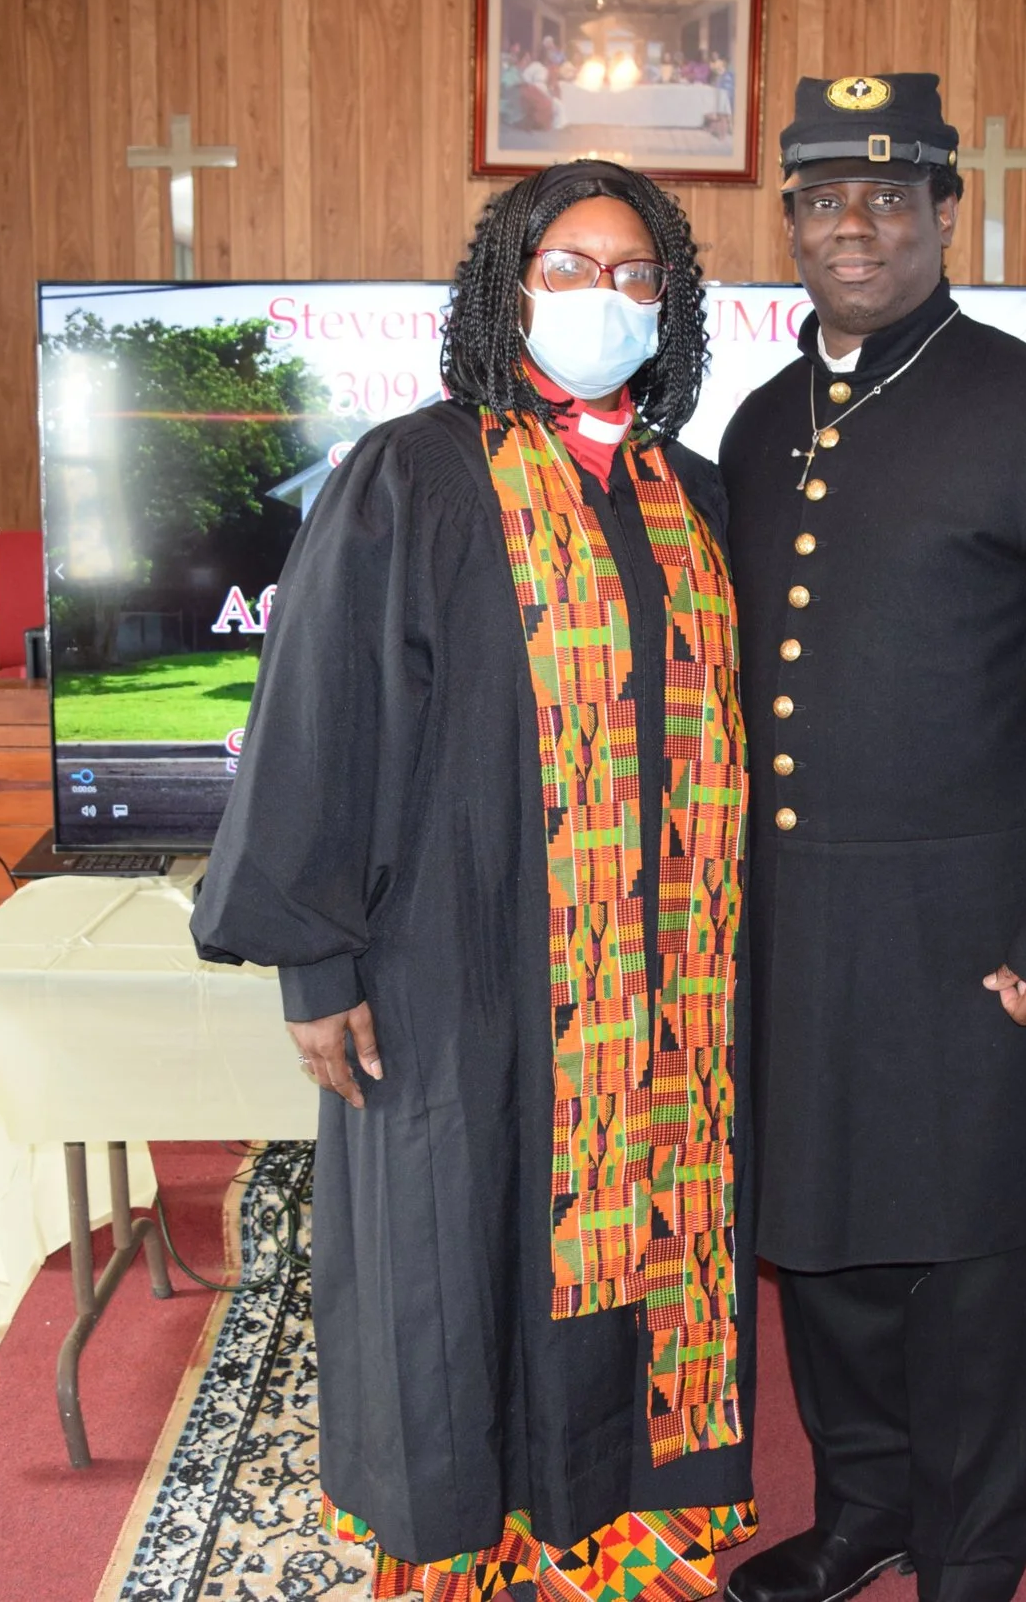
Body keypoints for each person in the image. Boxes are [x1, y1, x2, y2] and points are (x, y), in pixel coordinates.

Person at [191, 160, 758, 1602]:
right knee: (457, 1257)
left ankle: (618, 1535)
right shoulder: (413, 474)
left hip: (663, 990)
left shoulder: (692, 498)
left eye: (636, 274)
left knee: (645, 1250)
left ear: (672, 303)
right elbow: (320, 724)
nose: (602, 299)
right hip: (459, 965)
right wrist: (317, 966)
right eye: (567, 268)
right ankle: (460, 1554)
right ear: (507, 286)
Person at [717, 73, 1026, 1602]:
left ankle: (972, 1554)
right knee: (825, 1253)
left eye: (892, 194)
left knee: (979, 1272)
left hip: (985, 943)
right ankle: (864, 1511)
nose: (858, 223)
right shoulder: (767, 422)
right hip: (801, 935)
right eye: (826, 198)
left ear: (944, 212)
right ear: (789, 221)